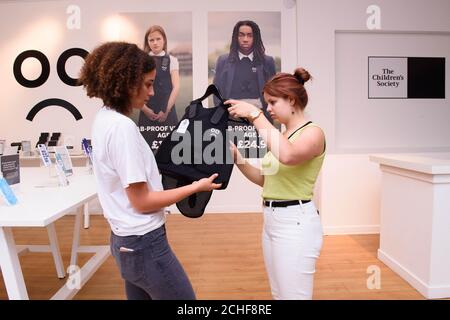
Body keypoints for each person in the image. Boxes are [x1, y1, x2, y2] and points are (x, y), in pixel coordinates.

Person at [79, 41, 221, 300]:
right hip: (144, 244)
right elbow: (142, 201)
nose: (153, 92)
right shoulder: (122, 128)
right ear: (125, 82)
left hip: (126, 242)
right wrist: (195, 187)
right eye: (147, 84)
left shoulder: (104, 118)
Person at [226, 68, 325, 300]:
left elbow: (288, 156)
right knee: (279, 295)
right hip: (271, 222)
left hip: (296, 224)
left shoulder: (313, 133)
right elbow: (265, 179)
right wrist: (238, 160)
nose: (268, 109)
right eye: (265, 104)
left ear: (291, 100)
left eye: (272, 102)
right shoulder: (283, 134)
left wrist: (255, 114)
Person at [213, 20, 276, 121]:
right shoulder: (223, 61)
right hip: (232, 115)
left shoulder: (267, 61)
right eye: (241, 35)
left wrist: (266, 115)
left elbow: (274, 92)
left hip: (259, 116)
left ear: (256, 38)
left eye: (250, 35)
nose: (245, 39)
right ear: (235, 38)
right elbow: (216, 91)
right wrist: (224, 114)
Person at [138, 25, 180, 153]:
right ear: (147, 42)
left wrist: (166, 111)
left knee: (170, 151)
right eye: (151, 40)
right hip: (147, 111)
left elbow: (176, 87)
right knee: (146, 151)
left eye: (158, 39)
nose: (155, 43)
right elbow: (135, 87)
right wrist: (145, 110)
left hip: (167, 112)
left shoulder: (171, 60)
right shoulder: (141, 60)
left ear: (164, 40)